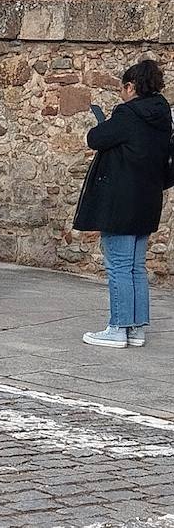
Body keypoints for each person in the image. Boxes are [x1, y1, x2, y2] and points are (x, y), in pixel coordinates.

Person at [74, 58, 173, 348]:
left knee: (118, 265)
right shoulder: (163, 115)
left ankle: (118, 327)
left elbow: (95, 138)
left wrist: (108, 122)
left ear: (131, 87)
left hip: (120, 201)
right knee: (136, 267)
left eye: (123, 88)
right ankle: (137, 329)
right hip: (148, 198)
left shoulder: (128, 114)